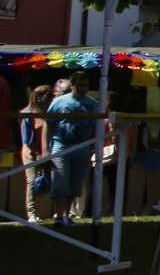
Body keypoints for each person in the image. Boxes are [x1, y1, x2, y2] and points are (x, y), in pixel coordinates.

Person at [44, 76, 101, 230]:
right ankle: (58, 215)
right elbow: (48, 124)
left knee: (75, 184)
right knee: (60, 181)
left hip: (82, 147)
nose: (83, 88)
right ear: (72, 85)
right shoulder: (59, 102)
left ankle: (67, 215)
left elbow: (97, 127)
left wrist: (93, 147)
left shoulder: (93, 104)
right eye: (80, 85)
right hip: (60, 145)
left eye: (86, 85)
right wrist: (46, 149)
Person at [20, 83, 50, 223]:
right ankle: (31, 213)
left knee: (43, 182)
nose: (45, 97)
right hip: (30, 152)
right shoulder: (27, 114)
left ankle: (37, 210)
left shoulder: (50, 113)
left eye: (48, 95)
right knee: (31, 181)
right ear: (36, 97)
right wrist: (35, 152)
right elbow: (26, 138)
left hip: (45, 152)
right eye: (42, 95)